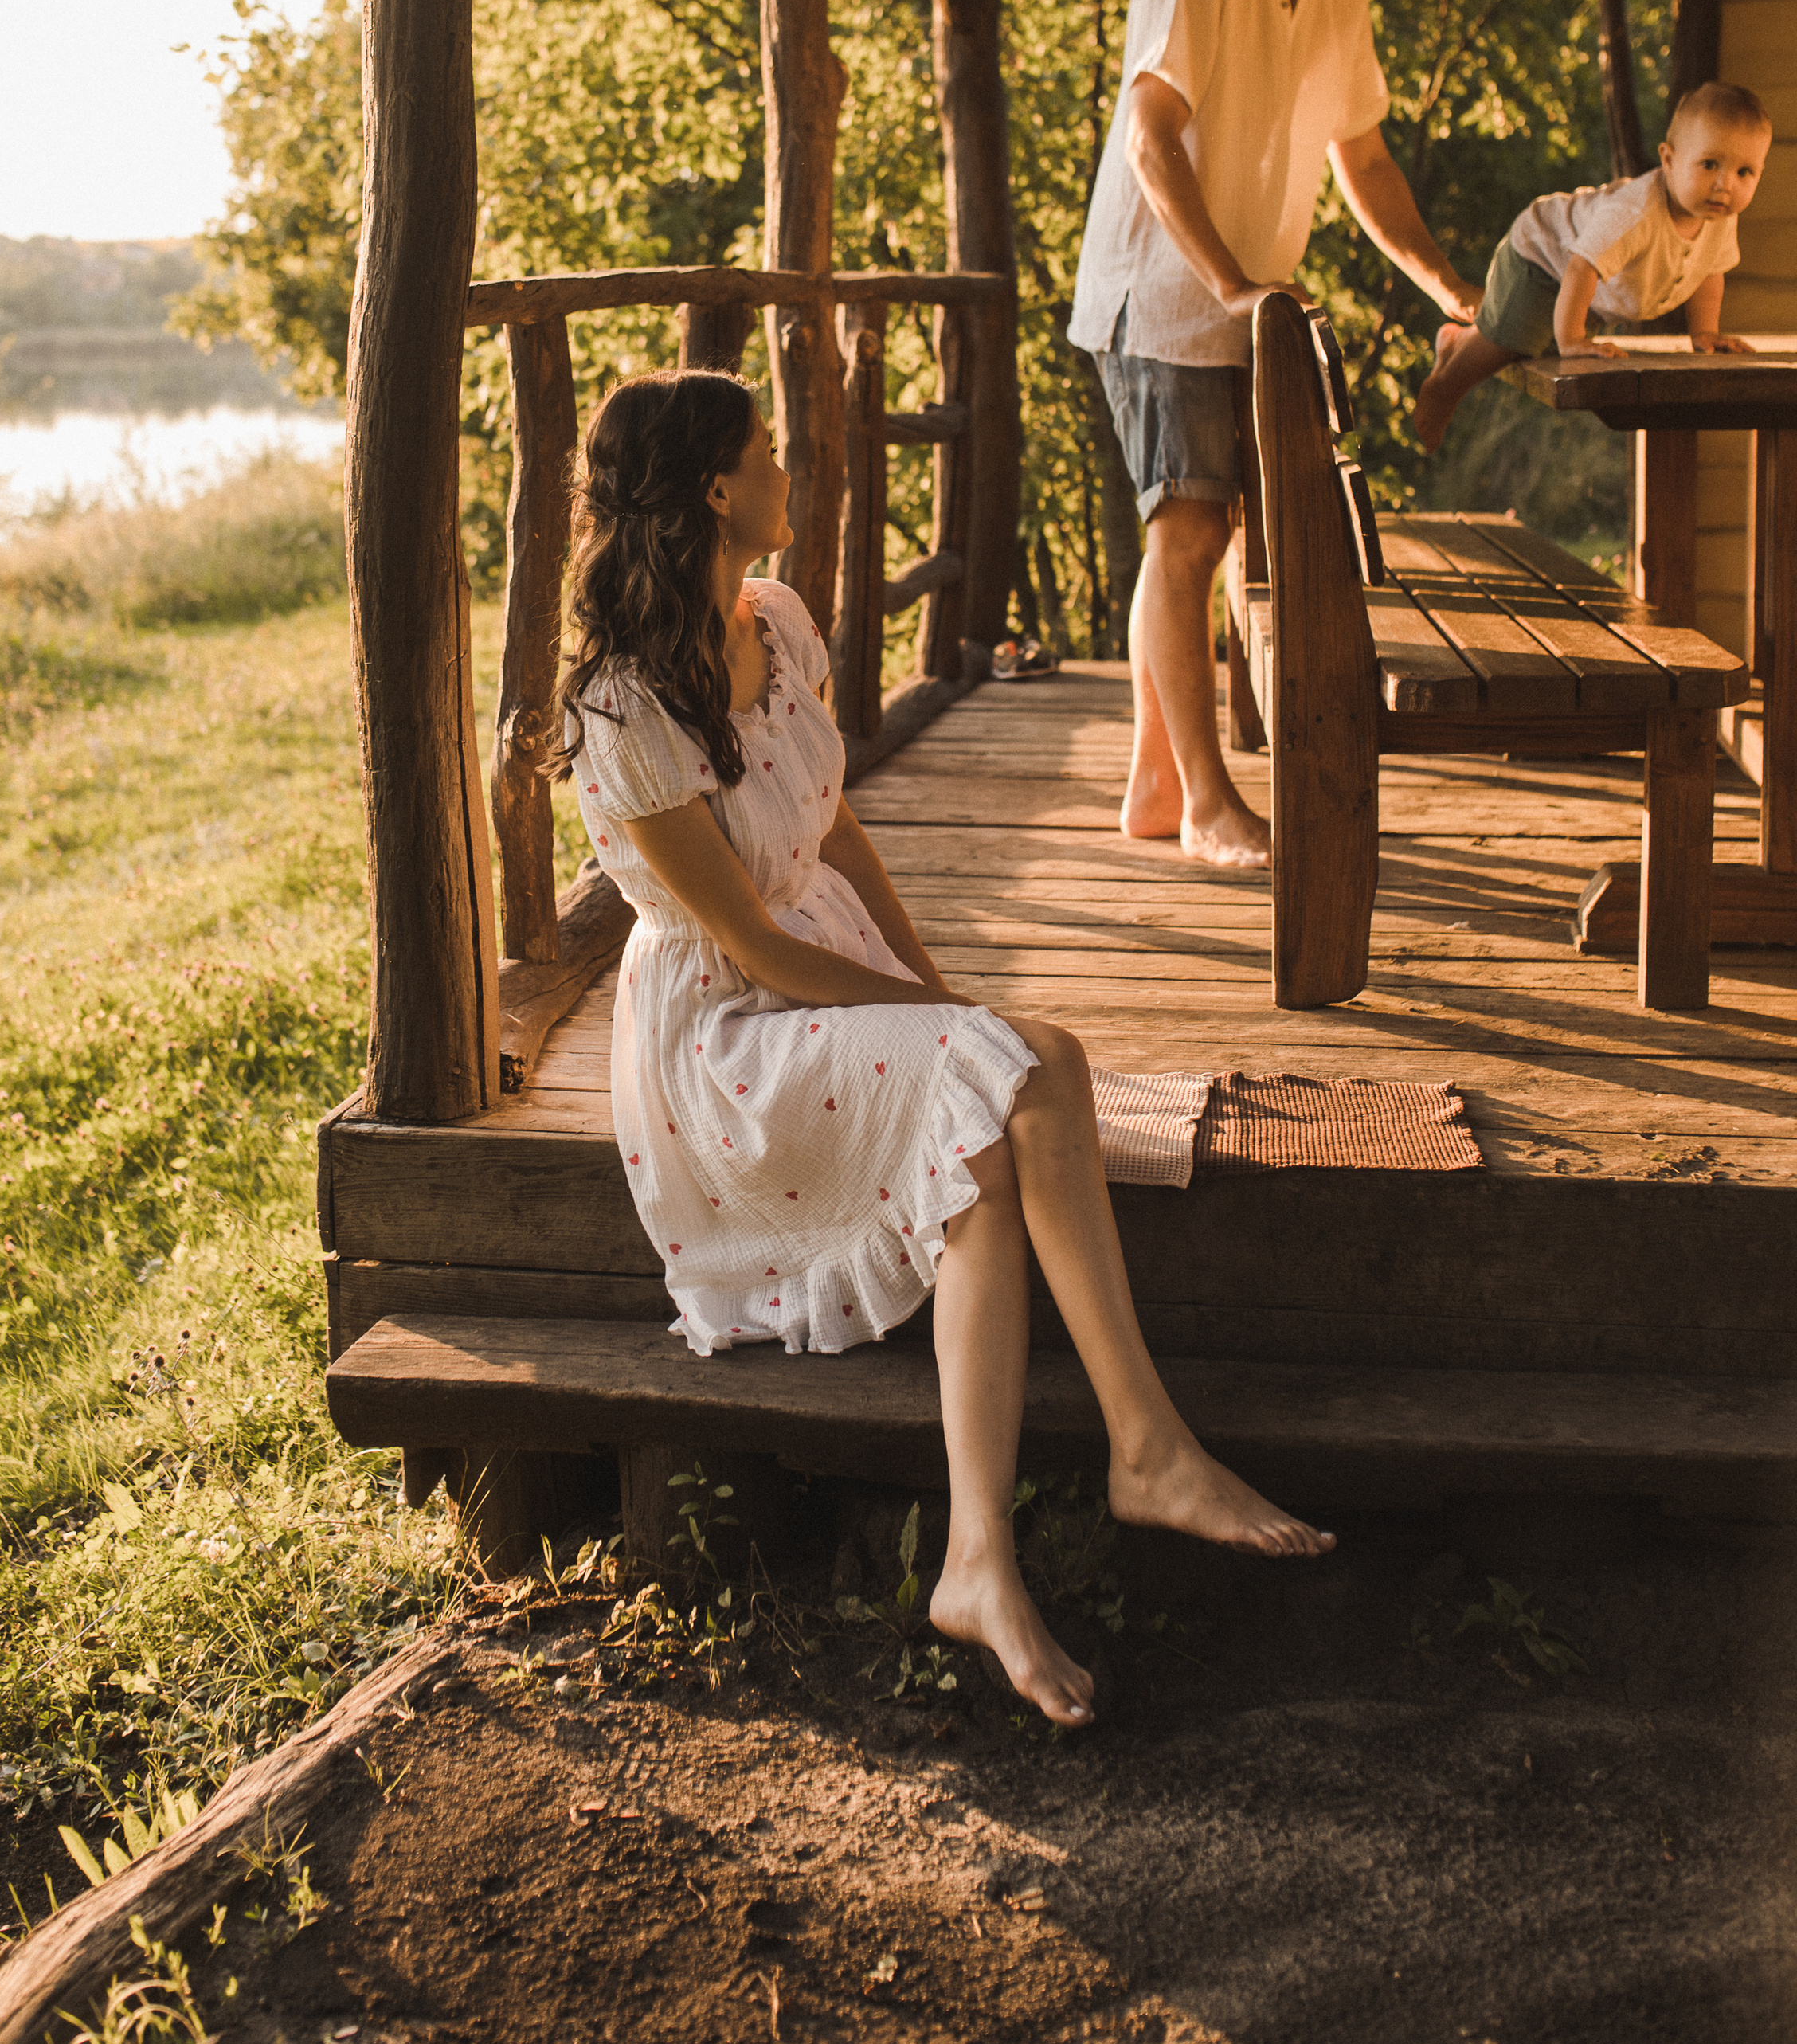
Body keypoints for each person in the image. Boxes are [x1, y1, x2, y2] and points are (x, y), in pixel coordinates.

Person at [556, 368, 1333, 1734]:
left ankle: (996, 1550)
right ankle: (1139, 1456)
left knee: (1013, 1094)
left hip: (822, 972)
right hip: (729, 1050)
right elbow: (750, 943)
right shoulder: (623, 713)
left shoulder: (775, 620)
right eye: (766, 452)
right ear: (715, 492)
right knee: (1028, 1067)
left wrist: (929, 993)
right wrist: (933, 1023)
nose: (788, 468)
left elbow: (838, 827)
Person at [1069, 0, 1482, 870]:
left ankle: (1157, 784)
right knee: (1190, 533)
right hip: (1163, 291)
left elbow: (1366, 161)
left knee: (1223, 541)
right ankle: (1207, 804)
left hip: (1251, 308)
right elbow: (1150, 136)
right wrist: (1230, 285)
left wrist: (1453, 291)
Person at [1413, 83, 1771, 451]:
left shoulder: (1718, 216)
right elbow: (1581, 267)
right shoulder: (1636, 213)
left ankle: (1458, 342)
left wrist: (1705, 332)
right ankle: (1444, 387)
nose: (1725, 185)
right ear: (1668, 159)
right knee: (1509, 341)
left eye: (1745, 172)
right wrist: (1572, 340)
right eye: (1709, 165)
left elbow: (1710, 272)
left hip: (1590, 289)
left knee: (1539, 346)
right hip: (1545, 257)